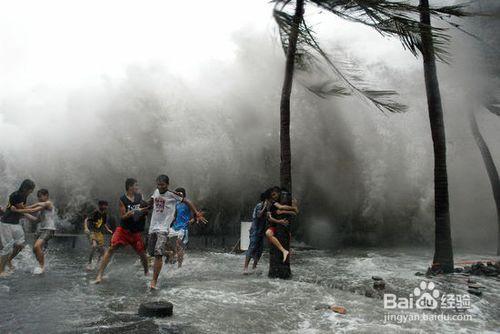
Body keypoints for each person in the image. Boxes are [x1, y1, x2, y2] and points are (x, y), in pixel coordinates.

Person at [147, 175, 207, 289]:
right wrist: (142, 208)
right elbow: (154, 205)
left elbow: (189, 203)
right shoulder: (170, 200)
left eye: (162, 185)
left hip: (178, 228)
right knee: (152, 252)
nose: (160, 187)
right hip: (165, 227)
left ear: (167, 185)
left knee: (173, 246)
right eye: (158, 184)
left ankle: (158, 278)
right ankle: (169, 254)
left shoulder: (175, 197)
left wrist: (196, 215)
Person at [94, 178, 150, 284]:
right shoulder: (122, 199)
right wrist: (132, 212)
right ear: (130, 187)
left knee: (142, 253)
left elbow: (145, 208)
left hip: (135, 231)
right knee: (111, 248)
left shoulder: (139, 196)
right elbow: (123, 216)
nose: (137, 188)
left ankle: (147, 273)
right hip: (123, 230)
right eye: (136, 186)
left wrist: (145, 209)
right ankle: (99, 275)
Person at [0, 179, 43, 276]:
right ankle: (0, 271)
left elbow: (21, 210)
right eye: (31, 189)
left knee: (20, 245)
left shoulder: (24, 196)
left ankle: (9, 260)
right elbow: (22, 209)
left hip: (15, 224)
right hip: (6, 224)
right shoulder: (16, 195)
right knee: (8, 247)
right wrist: (38, 208)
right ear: (25, 188)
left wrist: (33, 219)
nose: (31, 192)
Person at [267, 189, 298, 279]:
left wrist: (287, 210)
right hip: (277, 226)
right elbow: (277, 211)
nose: (274, 196)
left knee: (287, 237)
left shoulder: (286, 202)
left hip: (284, 227)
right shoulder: (274, 203)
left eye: (275, 194)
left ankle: (286, 252)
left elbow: (295, 212)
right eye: (272, 195)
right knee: (269, 234)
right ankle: (284, 251)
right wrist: (280, 218)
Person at [24, 189, 56, 275]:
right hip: (42, 230)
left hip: (49, 229)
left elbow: (36, 206)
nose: (39, 198)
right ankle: (41, 264)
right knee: (35, 250)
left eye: (41, 196)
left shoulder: (49, 203)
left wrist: (23, 208)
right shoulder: (42, 209)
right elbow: (35, 220)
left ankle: (42, 267)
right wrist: (24, 213)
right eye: (38, 196)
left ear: (47, 196)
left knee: (37, 246)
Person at [243, 191, 269, 274]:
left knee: (260, 250)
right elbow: (259, 215)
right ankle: (245, 268)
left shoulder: (268, 208)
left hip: (261, 231)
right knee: (252, 247)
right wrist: (265, 207)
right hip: (255, 231)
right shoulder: (259, 205)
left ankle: (254, 266)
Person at [170, 187, 195, 268]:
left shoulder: (187, 203)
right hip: (174, 227)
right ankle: (173, 254)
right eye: (176, 193)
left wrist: (192, 220)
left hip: (183, 228)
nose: (176, 194)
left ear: (182, 194)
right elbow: (175, 215)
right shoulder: (177, 204)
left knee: (178, 244)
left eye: (178, 193)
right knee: (165, 240)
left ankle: (179, 266)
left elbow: (195, 214)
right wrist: (169, 223)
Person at [84, 200, 112, 270]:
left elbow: (104, 223)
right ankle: (89, 263)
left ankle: (97, 264)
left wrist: (108, 229)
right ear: (99, 206)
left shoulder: (104, 214)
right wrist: (86, 228)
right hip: (92, 231)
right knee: (94, 246)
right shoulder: (95, 213)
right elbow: (86, 219)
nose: (104, 207)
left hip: (99, 233)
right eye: (103, 205)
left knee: (103, 252)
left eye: (106, 205)